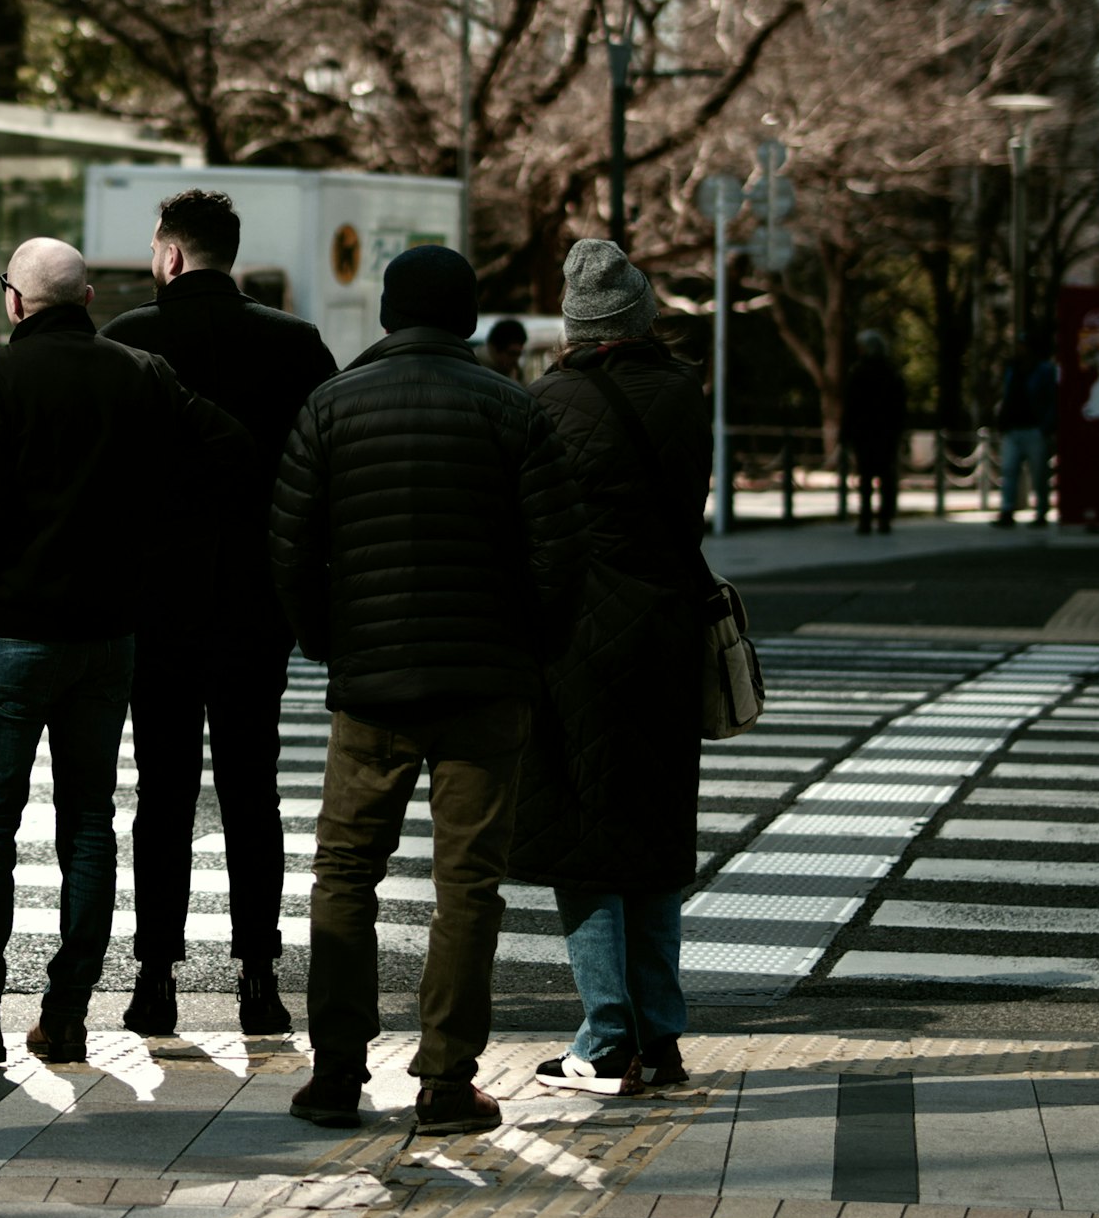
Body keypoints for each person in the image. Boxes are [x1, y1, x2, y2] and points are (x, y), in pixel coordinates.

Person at [0, 236, 241, 1070]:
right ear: (87, 300)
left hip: (11, 633)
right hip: (108, 635)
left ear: (15, 303)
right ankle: (67, 1012)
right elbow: (227, 446)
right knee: (89, 823)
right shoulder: (141, 373)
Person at [269, 244, 584, 1136]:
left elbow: (289, 547)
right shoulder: (512, 409)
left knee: (344, 874)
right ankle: (445, 1081)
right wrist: (530, 653)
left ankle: (335, 1072)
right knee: (468, 886)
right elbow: (560, 558)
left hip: (371, 689)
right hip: (485, 688)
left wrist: (333, 643)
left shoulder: (330, 407)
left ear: (386, 314)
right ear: (467, 318)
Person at [99, 189, 337, 1039]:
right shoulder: (295, 345)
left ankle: (154, 980)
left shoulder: (126, 342)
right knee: (251, 789)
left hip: (154, 603)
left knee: (162, 791)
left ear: (169, 256)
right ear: (228, 255)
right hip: (252, 602)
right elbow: (321, 474)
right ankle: (259, 980)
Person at [516, 243, 712, 1097]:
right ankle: (661, 1036)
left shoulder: (548, 402)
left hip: (579, 644)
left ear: (574, 325)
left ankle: (604, 1039)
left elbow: (533, 531)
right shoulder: (682, 395)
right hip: (668, 634)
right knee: (656, 835)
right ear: (639, 317)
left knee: (586, 841)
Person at [840, 329, 908, 534]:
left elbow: (851, 405)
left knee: (868, 476)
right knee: (884, 476)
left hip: (868, 431)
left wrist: (846, 433)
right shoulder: (891, 372)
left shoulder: (860, 372)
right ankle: (883, 518)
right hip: (883, 432)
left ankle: (867, 519)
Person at [992, 329, 1059, 527]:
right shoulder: (1013, 369)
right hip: (1014, 427)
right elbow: (1008, 396)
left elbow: (1052, 400)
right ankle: (1007, 509)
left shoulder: (1045, 370)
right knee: (1009, 469)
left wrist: (1046, 426)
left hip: (1034, 428)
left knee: (1038, 473)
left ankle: (1041, 512)